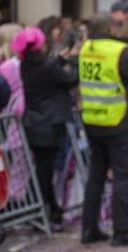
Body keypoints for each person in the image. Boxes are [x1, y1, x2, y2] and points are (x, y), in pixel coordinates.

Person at [79, 13, 128, 246]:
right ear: (111, 29)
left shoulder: (85, 48)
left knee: (96, 176)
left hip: (93, 120)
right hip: (119, 121)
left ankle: (88, 229)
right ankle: (122, 230)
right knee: (123, 177)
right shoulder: (120, 50)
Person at [12, 27, 79, 230]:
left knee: (43, 169)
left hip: (34, 124)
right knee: (44, 171)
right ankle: (42, 211)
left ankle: (51, 209)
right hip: (47, 125)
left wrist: (61, 59)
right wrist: (74, 60)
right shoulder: (45, 68)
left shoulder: (27, 65)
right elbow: (69, 79)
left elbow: (48, 72)